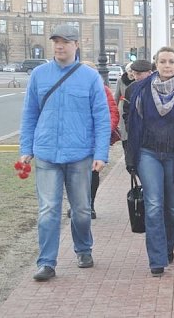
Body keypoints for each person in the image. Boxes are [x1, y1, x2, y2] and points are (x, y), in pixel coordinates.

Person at [19, 24, 111, 281]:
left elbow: (101, 118)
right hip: (47, 153)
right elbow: (29, 114)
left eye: (66, 41)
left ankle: (83, 248)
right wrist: (26, 148)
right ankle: (46, 262)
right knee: (48, 209)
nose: (60, 46)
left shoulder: (90, 77)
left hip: (79, 155)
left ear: (76, 45)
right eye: (56, 41)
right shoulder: (39, 74)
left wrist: (100, 153)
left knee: (81, 209)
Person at [126, 47, 174, 277]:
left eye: (171, 61)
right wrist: (130, 159)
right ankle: (156, 259)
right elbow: (132, 126)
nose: (167, 65)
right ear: (156, 64)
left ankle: (167, 248)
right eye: (163, 61)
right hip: (148, 153)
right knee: (154, 204)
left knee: (172, 207)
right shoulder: (140, 90)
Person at [75, 61, 119, 220]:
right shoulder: (72, 90)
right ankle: (77, 205)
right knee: (75, 175)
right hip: (76, 141)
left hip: (95, 141)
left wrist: (104, 132)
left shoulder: (104, 90)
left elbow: (113, 113)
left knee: (93, 174)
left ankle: (90, 204)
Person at [114, 62, 134, 152]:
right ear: (127, 71)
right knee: (124, 133)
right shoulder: (120, 80)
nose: (132, 73)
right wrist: (114, 112)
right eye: (130, 71)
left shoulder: (138, 80)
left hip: (135, 108)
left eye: (134, 71)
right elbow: (116, 96)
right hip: (124, 108)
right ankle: (127, 153)